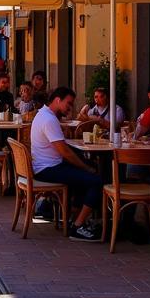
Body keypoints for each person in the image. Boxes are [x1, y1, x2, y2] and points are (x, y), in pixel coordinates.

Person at [30, 87, 103, 241]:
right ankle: (77, 227)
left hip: (43, 166)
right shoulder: (49, 120)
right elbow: (65, 152)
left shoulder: (43, 114)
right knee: (96, 181)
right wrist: (86, 167)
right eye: (68, 104)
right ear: (58, 100)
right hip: (48, 169)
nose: (70, 107)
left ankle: (72, 220)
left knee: (82, 177)